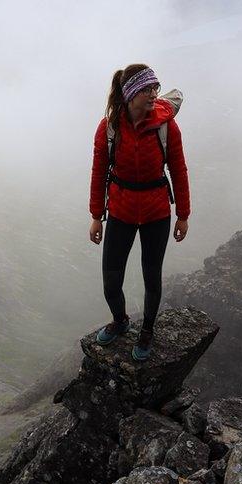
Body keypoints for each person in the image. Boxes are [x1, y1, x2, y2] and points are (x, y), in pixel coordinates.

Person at [89, 64, 190, 361]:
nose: (153, 95)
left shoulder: (165, 126)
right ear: (130, 94)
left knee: (151, 276)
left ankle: (147, 330)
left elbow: (179, 170)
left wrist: (183, 214)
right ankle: (120, 321)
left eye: (155, 89)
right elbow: (99, 173)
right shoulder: (109, 128)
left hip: (156, 212)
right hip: (120, 210)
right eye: (147, 89)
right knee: (111, 279)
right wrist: (96, 215)